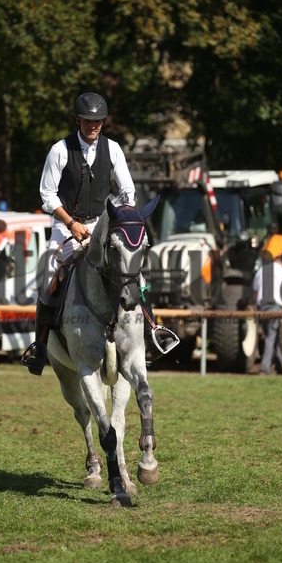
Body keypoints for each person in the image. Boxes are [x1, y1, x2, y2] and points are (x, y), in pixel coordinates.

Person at [21, 92, 178, 375]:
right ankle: (40, 347)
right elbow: (47, 195)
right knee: (48, 279)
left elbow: (127, 189)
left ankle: (152, 332)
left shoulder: (113, 149)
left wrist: (124, 217)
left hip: (101, 226)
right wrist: (71, 223)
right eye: (88, 121)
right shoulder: (60, 150)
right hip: (66, 227)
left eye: (98, 121)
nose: (93, 125)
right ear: (77, 120)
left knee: (135, 275)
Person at [253, 254, 282, 375]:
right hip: (275, 307)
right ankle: (264, 368)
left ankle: (279, 367)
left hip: (262, 308)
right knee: (271, 336)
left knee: (272, 335)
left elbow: (255, 291)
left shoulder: (261, 270)